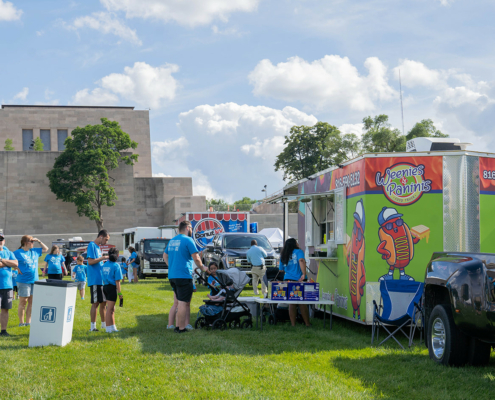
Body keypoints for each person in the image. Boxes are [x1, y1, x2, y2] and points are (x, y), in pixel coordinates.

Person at [163, 220, 208, 333]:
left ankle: (178, 326)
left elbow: (165, 255)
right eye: (191, 228)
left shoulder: (172, 241)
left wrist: (172, 266)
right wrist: (203, 268)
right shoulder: (188, 240)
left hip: (172, 276)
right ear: (187, 228)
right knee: (183, 302)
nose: (192, 230)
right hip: (183, 275)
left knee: (179, 301)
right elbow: (196, 258)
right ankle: (181, 328)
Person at [14, 236, 48, 327]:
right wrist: (16, 268)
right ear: (25, 242)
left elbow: (46, 249)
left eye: (33, 242)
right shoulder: (17, 252)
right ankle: (21, 322)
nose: (33, 243)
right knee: (23, 301)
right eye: (31, 242)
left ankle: (28, 322)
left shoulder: (35, 251)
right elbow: (11, 261)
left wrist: (39, 240)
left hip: (34, 280)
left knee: (31, 302)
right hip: (23, 280)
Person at [279, 238, 311, 327]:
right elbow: (301, 260)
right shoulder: (299, 251)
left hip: (287, 279)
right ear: (294, 244)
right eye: (296, 242)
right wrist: (304, 273)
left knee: (292, 303)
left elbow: (281, 269)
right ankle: (307, 324)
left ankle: (293, 324)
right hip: (298, 279)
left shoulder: (283, 254)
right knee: (302, 302)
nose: (297, 243)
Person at [87, 230, 110, 332]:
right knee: (95, 303)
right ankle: (93, 327)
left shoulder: (98, 247)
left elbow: (97, 261)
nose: (106, 242)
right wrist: (102, 258)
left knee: (103, 303)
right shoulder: (91, 245)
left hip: (101, 280)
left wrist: (103, 261)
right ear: (101, 236)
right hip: (95, 279)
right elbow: (90, 261)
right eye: (106, 239)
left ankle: (104, 325)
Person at [0, 233, 19, 336]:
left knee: (5, 309)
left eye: (1, 239)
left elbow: (16, 264)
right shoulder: (9, 255)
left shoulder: (9, 252)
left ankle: (3, 331)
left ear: (4, 241)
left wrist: (2, 260)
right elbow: (11, 264)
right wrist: (8, 263)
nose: (0, 241)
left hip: (8, 286)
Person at [102, 247, 123, 333]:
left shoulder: (105, 264)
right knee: (109, 309)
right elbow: (117, 281)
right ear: (117, 255)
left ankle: (113, 327)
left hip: (105, 287)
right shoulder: (116, 265)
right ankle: (108, 329)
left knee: (112, 309)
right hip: (111, 288)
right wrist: (120, 293)